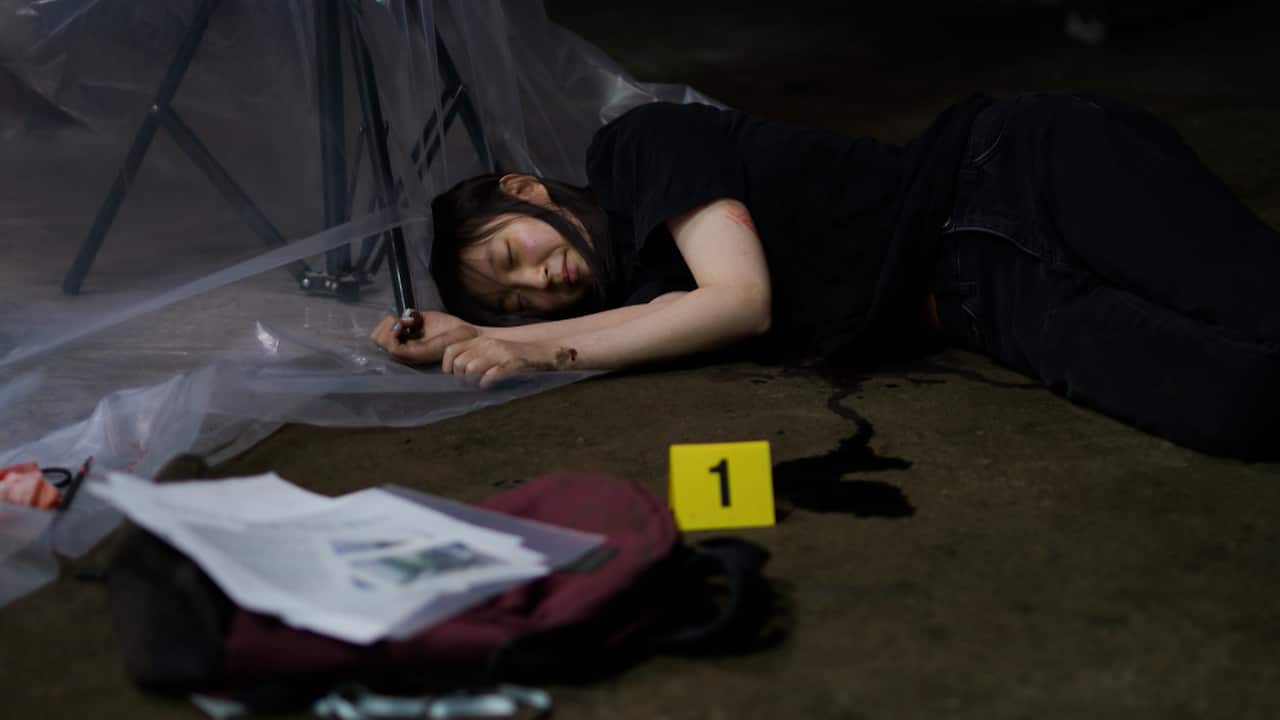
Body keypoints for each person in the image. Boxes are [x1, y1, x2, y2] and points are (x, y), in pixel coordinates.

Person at [371, 93, 1280, 458]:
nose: (536, 285)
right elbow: (663, 318)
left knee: (1256, 299)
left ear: (525, 191)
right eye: (513, 297)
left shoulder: (639, 149)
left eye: (509, 258)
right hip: (983, 300)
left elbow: (739, 301)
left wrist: (524, 348)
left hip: (1023, 172)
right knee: (1235, 404)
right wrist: (471, 337)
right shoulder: (645, 301)